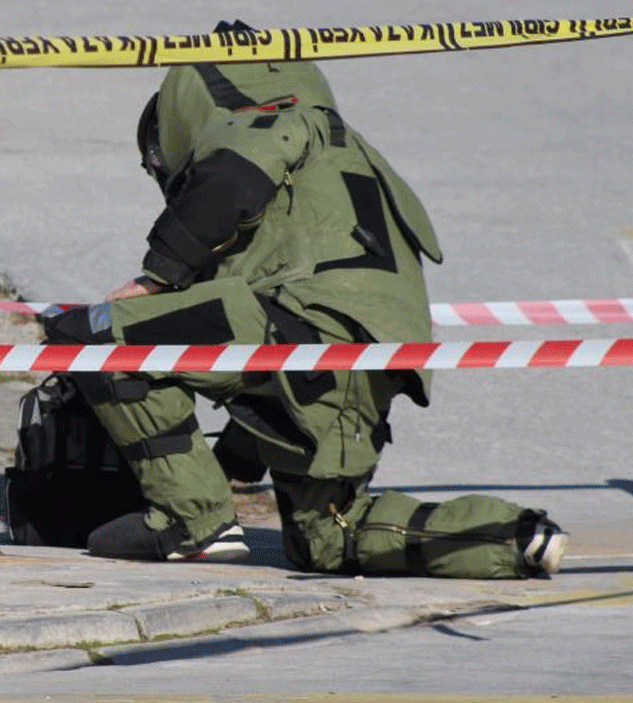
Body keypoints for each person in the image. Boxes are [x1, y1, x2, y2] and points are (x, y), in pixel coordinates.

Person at [42, 32, 568, 578]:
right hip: (361, 366)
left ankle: (190, 522)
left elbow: (229, 184)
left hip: (301, 332)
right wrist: (233, 459)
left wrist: (156, 278)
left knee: (95, 335)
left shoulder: (270, 125)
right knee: (329, 538)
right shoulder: (350, 153)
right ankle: (516, 537)